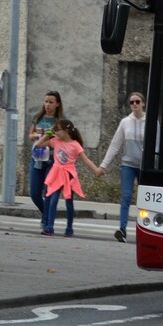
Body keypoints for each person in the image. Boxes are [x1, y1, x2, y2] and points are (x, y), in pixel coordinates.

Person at [41, 119, 104, 237]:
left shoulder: (75, 145)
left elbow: (85, 160)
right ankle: (49, 227)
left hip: (68, 174)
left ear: (66, 130)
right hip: (56, 173)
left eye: (57, 129)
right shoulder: (55, 141)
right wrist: (47, 134)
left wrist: (96, 170)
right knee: (53, 200)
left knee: (69, 202)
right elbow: (39, 145)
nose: (56, 131)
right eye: (55, 129)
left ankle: (69, 227)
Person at [100, 92, 147, 242]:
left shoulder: (151, 122)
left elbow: (157, 145)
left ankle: (147, 230)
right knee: (126, 197)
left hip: (144, 167)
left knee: (145, 200)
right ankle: (122, 229)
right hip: (128, 165)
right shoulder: (125, 122)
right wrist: (103, 165)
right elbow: (115, 145)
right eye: (131, 102)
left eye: (137, 101)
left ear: (143, 103)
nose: (134, 104)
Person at [28, 91, 68, 229]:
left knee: (48, 192)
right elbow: (30, 135)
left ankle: (46, 222)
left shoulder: (61, 121)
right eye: (46, 101)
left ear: (57, 104)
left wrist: (53, 135)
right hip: (37, 157)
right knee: (34, 193)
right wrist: (35, 136)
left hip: (53, 160)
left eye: (51, 102)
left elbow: (65, 139)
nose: (47, 105)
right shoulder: (38, 117)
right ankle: (47, 214)